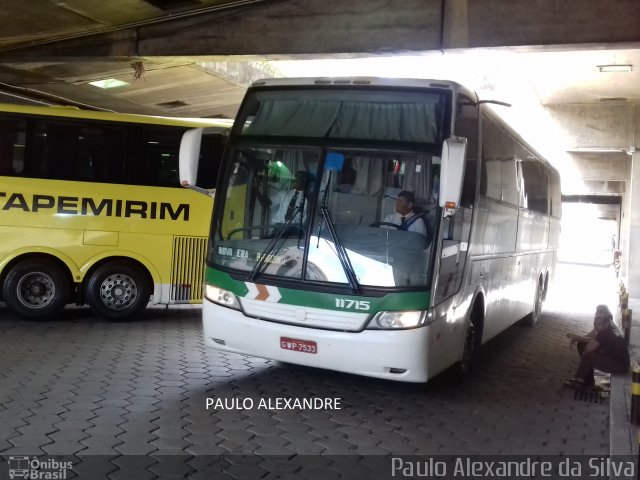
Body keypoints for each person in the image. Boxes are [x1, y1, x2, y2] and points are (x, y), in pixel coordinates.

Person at [565, 304, 630, 390]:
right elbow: (590, 337)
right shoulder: (607, 323)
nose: (596, 316)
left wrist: (585, 338)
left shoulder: (604, 332)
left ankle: (579, 381)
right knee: (582, 345)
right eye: (596, 313)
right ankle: (587, 381)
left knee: (587, 355)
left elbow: (589, 347)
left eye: (598, 314)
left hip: (619, 365)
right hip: (616, 358)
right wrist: (578, 338)